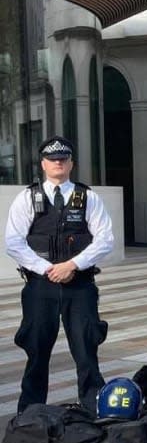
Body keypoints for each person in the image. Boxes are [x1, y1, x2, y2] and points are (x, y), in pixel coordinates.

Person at [5, 135, 114, 413]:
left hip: (80, 286)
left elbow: (105, 239)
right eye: (53, 159)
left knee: (86, 349)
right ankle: (30, 411)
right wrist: (47, 269)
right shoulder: (27, 197)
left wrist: (72, 265)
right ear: (43, 164)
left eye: (63, 159)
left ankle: (93, 408)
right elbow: (13, 242)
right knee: (37, 351)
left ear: (71, 163)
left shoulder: (88, 197)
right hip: (41, 286)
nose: (58, 163)